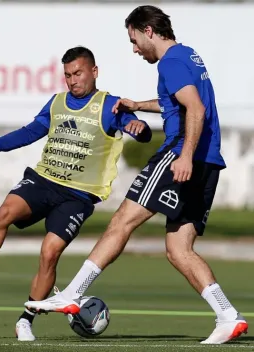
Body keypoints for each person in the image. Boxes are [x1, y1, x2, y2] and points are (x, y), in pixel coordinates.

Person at [24, 6, 248, 345]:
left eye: (133, 40)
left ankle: (73, 293)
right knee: (178, 247)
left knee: (122, 220)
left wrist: (184, 155)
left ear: (148, 31)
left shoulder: (170, 62)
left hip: (179, 155)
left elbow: (196, 109)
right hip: (209, 161)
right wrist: (137, 105)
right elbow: (178, 101)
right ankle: (227, 316)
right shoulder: (187, 55)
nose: (134, 49)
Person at [0, 46, 152, 342]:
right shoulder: (57, 103)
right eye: (67, 75)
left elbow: (140, 132)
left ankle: (25, 321)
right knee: (5, 212)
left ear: (94, 71)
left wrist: (138, 127)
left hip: (78, 195)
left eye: (78, 73)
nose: (72, 80)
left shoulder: (110, 105)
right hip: (43, 180)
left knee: (49, 253)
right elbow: (30, 132)